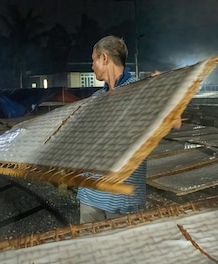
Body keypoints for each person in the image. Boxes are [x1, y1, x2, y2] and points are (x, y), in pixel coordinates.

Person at [76, 36, 181, 223]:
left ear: (105, 58)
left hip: (122, 200)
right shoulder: (96, 98)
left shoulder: (140, 91)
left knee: (118, 250)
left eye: (94, 60)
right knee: (90, 249)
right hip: (90, 196)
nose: (92, 66)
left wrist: (165, 93)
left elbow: (175, 123)